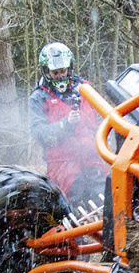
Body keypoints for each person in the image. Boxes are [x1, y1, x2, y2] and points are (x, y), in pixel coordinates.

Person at [29, 42, 109, 213]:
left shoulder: (85, 89)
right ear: (46, 71)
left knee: (108, 202)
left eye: (63, 71)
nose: (60, 76)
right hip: (62, 165)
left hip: (92, 160)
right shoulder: (39, 98)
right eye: (55, 72)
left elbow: (105, 118)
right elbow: (38, 133)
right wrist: (64, 125)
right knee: (71, 211)